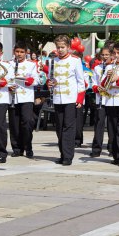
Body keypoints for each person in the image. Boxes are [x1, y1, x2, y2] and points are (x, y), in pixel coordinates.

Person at [47, 35, 85, 166]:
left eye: (63, 47)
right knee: (59, 128)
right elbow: (49, 78)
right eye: (58, 47)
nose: (60, 50)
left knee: (68, 128)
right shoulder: (53, 61)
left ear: (68, 47)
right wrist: (49, 83)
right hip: (58, 98)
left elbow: (81, 82)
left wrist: (80, 99)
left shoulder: (75, 61)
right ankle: (63, 154)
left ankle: (68, 156)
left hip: (70, 99)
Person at [8, 42, 41, 158]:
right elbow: (5, 79)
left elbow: (37, 80)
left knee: (27, 122)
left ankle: (28, 147)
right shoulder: (9, 64)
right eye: (17, 52)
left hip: (26, 97)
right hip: (13, 97)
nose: (19, 54)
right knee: (14, 124)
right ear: (14, 52)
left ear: (25, 53)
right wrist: (8, 85)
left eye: (22, 52)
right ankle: (17, 148)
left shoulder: (31, 65)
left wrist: (29, 80)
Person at [90, 46, 112, 157]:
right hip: (100, 100)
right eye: (103, 55)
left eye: (107, 55)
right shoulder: (97, 68)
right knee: (99, 124)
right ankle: (96, 149)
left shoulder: (114, 68)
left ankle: (112, 148)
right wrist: (97, 88)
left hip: (111, 100)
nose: (104, 57)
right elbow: (93, 83)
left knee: (111, 125)